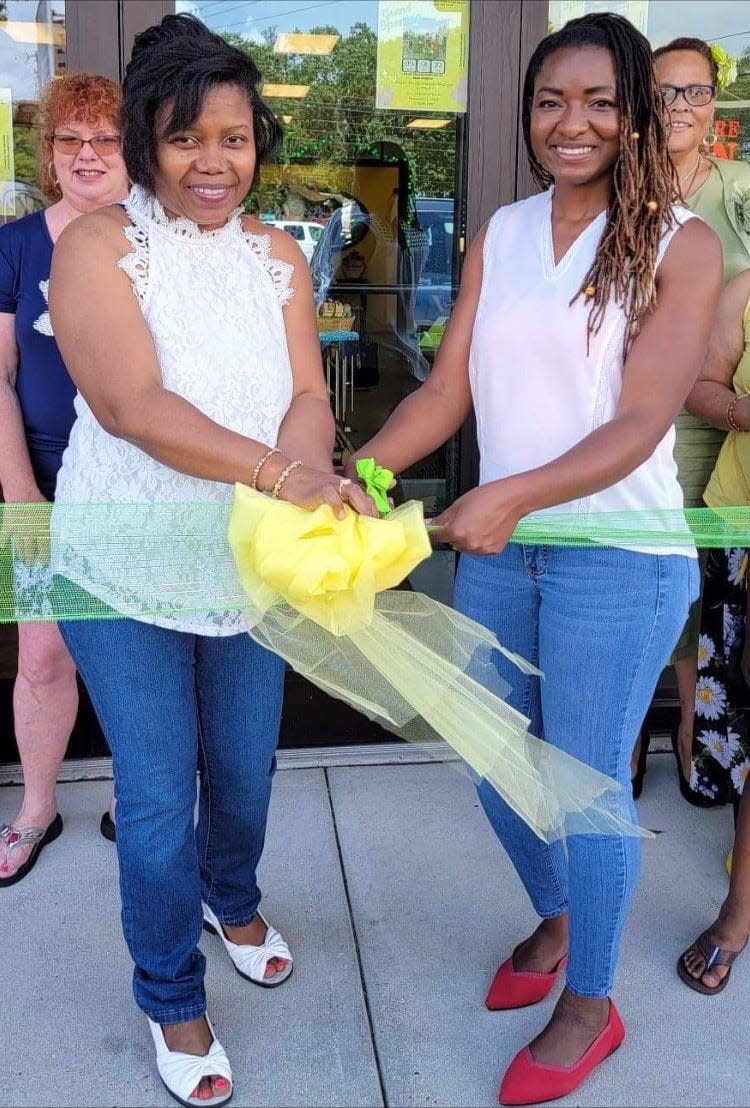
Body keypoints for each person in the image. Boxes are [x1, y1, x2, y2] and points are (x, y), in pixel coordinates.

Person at [348, 13, 721, 1104]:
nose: (575, 122)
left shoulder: (680, 245)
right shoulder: (503, 232)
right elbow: (445, 389)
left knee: (590, 786)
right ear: (527, 113)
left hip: (619, 554)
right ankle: (563, 916)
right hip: (507, 556)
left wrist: (505, 493)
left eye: (603, 101)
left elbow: (642, 421)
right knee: (495, 760)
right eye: (553, 101)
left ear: (637, 114)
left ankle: (592, 1001)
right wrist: (360, 471)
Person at [48, 15, 374, 1107]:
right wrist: (282, 478)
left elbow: (302, 398)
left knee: (243, 767)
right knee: (154, 795)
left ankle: (229, 894)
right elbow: (129, 404)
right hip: (126, 560)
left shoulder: (279, 253)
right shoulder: (97, 245)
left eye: (234, 138)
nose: (214, 162)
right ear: (146, 139)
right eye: (188, 138)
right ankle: (169, 992)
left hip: (246, 562)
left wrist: (311, 466)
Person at [0, 74, 129, 886]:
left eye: (106, 139)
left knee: (142, 652)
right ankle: (34, 809)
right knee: (44, 657)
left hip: (140, 488)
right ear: (50, 154)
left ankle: (138, 798)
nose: (86, 155)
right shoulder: (15, 246)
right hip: (42, 482)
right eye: (69, 140)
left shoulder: (156, 238)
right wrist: (21, 499)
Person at [632, 37, 750, 800]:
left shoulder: (741, 189)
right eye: (665, 92)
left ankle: (693, 726)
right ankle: (639, 725)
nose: (681, 107)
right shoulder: (619, 188)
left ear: (715, 103)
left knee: (714, 586)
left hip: (726, 421)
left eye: (696, 91)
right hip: (642, 414)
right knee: (650, 570)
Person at [675, 268, 750, 992]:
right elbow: (699, 387)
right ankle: (739, 912)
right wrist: (744, 410)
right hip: (742, 522)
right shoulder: (745, 289)